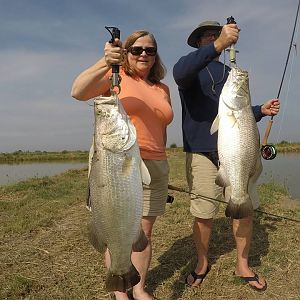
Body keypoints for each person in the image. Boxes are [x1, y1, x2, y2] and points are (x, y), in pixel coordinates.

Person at [173, 20, 280, 292]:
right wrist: (219, 43)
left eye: (217, 35)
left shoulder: (229, 72)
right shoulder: (189, 69)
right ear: (198, 42)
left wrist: (259, 110)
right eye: (208, 36)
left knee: (243, 210)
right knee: (203, 213)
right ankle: (201, 262)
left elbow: (235, 112)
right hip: (201, 152)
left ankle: (242, 264)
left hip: (236, 152)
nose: (213, 38)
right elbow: (179, 72)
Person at [71, 30, 173, 300]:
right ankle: (119, 290)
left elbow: (160, 127)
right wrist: (105, 61)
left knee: (143, 232)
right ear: (126, 53)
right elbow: (78, 90)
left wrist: (159, 156)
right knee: (114, 227)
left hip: (156, 164)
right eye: (136, 49)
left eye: (149, 50)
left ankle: (139, 287)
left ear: (156, 55)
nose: (143, 54)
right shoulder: (116, 77)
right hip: (116, 165)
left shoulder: (163, 88)